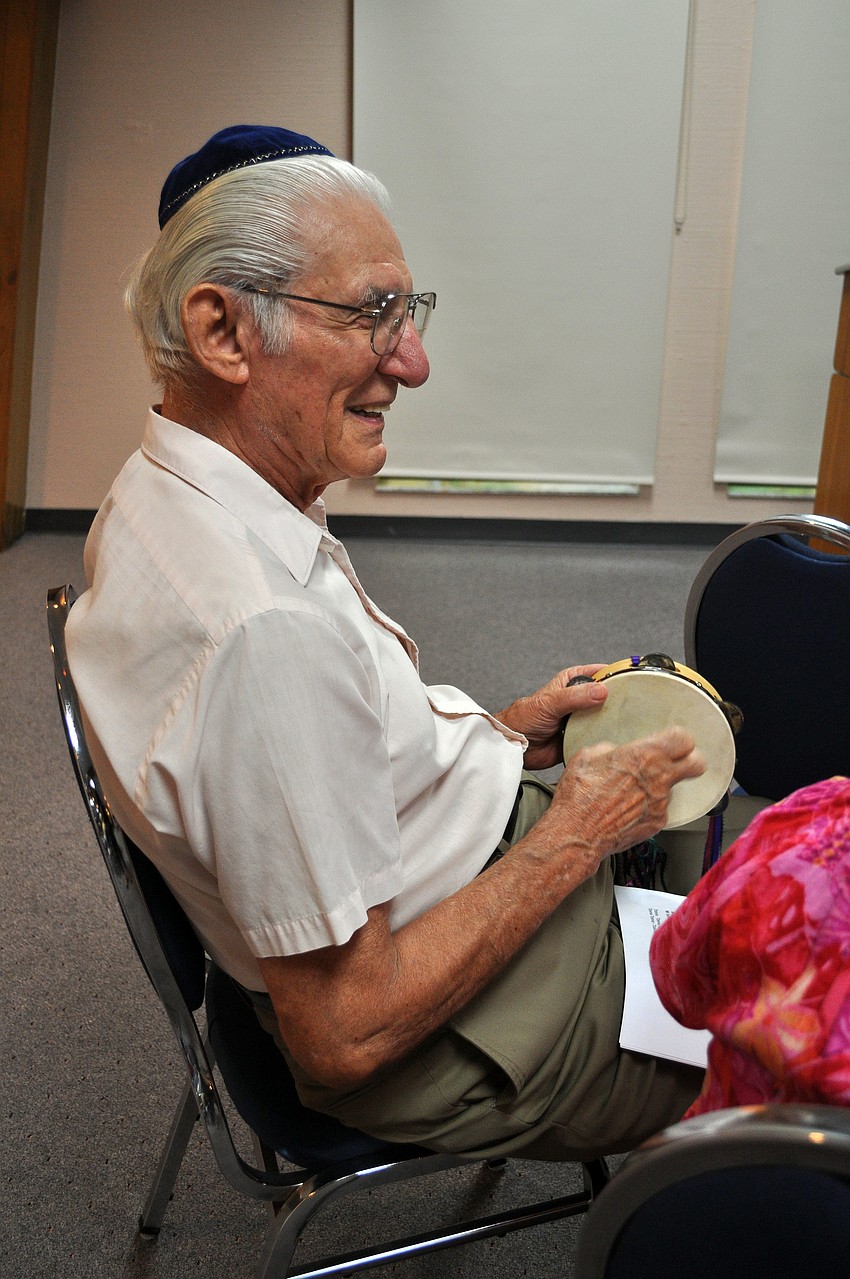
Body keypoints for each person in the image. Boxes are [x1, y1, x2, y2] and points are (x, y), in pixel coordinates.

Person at [66, 124, 706, 1162]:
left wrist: (495, 737)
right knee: (799, 990)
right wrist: (577, 833)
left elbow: (286, 766)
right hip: (443, 1038)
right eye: (370, 312)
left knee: (767, 855)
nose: (410, 359)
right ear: (223, 332)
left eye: (408, 310)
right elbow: (343, 1037)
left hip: (428, 895)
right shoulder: (257, 630)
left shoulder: (164, 492)